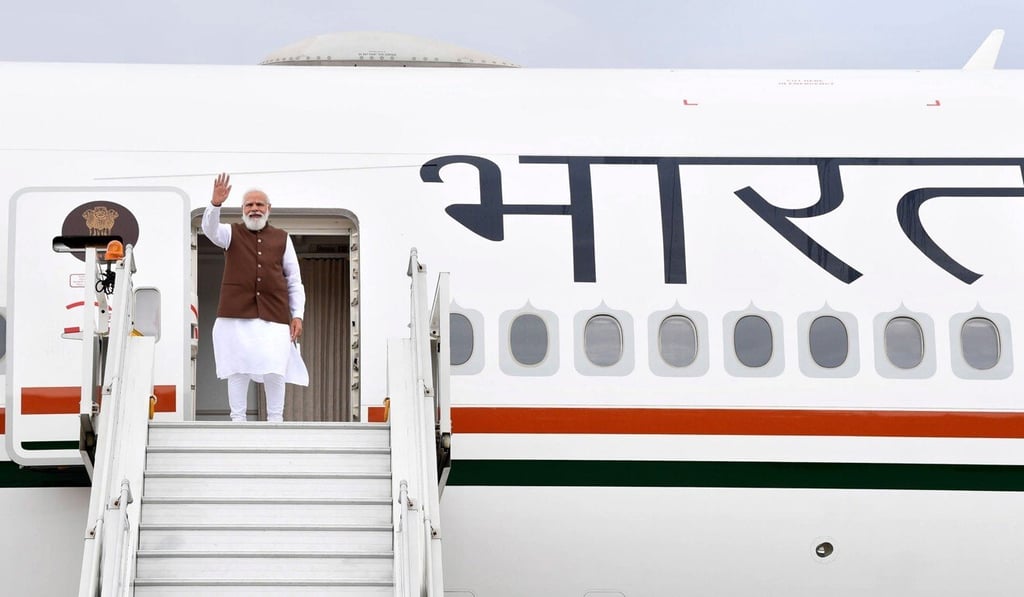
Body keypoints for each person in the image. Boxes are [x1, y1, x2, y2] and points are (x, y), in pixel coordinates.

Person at [202, 172, 308, 422]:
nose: (255, 209)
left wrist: (298, 315)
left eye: (259, 204)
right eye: (249, 204)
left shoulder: (282, 238)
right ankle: (237, 421)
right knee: (238, 370)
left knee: (275, 369)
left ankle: (275, 421)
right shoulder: (230, 233)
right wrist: (215, 203)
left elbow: (294, 280)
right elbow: (210, 229)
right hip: (235, 316)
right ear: (242, 209)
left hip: (274, 316)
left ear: (268, 208)